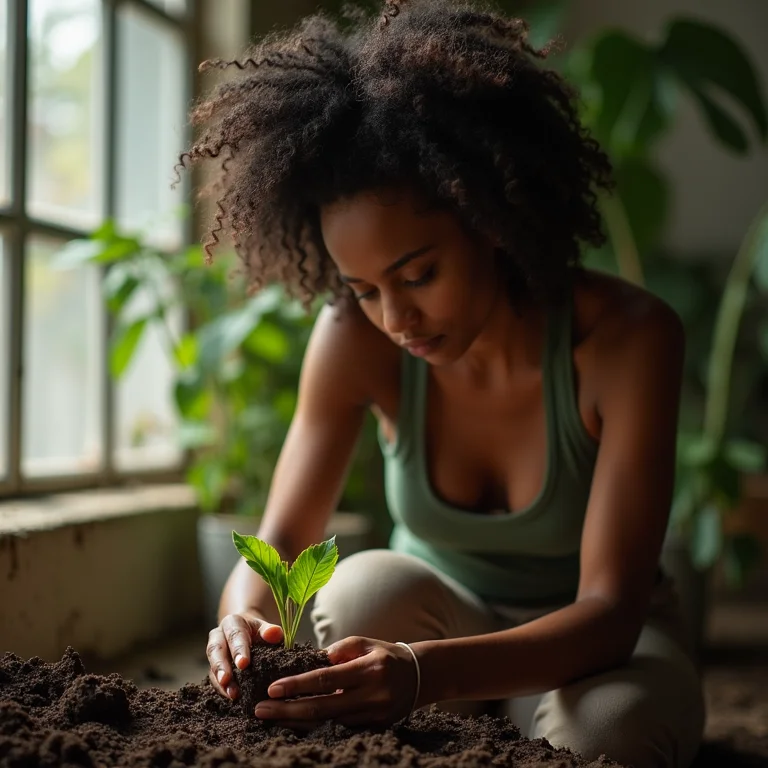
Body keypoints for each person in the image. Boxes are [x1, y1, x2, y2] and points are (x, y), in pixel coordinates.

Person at [180, 1, 705, 766]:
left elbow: (609, 613)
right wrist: (239, 618)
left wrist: (425, 675)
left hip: (597, 651)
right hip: (437, 618)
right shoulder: (353, 339)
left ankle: (512, 720)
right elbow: (282, 540)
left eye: (418, 274)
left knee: (607, 737)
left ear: (490, 217)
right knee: (360, 594)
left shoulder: (627, 340)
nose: (395, 317)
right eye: (362, 288)